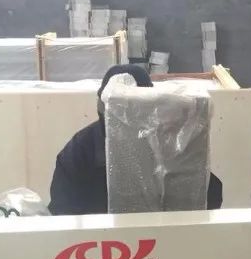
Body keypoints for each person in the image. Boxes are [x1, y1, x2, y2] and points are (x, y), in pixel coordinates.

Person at [48, 64, 223, 215]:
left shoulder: (170, 141)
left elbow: (207, 194)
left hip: (165, 234)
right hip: (103, 239)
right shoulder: (82, 148)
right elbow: (62, 209)